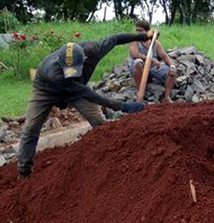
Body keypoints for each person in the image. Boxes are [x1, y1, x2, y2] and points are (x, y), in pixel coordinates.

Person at [17, 29, 153, 179]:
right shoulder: (53, 72)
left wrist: (144, 36)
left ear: (84, 58)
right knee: (30, 128)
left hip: (77, 87)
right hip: (45, 91)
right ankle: (24, 172)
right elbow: (89, 95)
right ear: (61, 62)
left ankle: (112, 158)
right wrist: (122, 106)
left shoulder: (94, 49)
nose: (71, 72)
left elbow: (116, 38)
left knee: (99, 123)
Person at [129, 19, 177, 103]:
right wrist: (151, 59)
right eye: (137, 30)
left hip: (152, 68)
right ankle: (140, 93)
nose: (138, 33)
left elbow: (164, 56)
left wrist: (172, 66)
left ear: (148, 31)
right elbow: (134, 54)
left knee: (172, 71)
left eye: (140, 31)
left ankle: (167, 97)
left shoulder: (155, 43)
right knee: (138, 62)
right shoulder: (134, 41)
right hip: (139, 67)